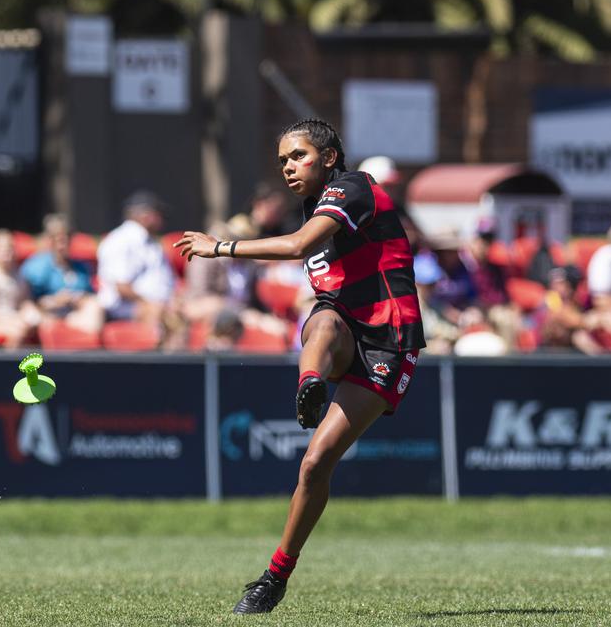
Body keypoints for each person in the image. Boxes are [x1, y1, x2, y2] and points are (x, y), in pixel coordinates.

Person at [175, 118, 424, 614]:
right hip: (343, 331)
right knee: (324, 319)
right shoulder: (313, 204)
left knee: (314, 464)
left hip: (390, 344)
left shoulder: (352, 189)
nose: (288, 167)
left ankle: (275, 578)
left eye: (298, 156)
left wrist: (219, 247)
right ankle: (309, 383)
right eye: (283, 160)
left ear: (329, 157)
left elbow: (297, 247)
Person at [96, 191, 177, 334]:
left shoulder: (152, 242)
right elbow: (122, 287)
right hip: (126, 307)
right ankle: (156, 356)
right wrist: (152, 303)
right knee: (159, 313)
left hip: (158, 303)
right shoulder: (121, 240)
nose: (161, 220)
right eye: (157, 214)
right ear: (145, 216)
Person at [20, 214, 104, 335]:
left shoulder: (82, 267)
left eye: (67, 240)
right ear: (50, 241)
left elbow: (90, 295)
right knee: (31, 315)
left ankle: (85, 349)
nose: (63, 246)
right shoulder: (35, 267)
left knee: (95, 307)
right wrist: (54, 301)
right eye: (59, 241)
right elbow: (27, 301)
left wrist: (79, 299)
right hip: (46, 316)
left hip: (74, 316)